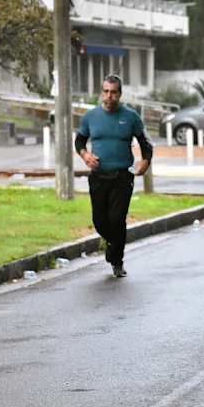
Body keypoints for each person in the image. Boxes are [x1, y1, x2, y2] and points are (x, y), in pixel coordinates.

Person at [75, 74, 153, 278]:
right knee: (100, 221)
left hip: (122, 177)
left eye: (114, 92)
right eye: (106, 92)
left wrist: (144, 162)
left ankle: (117, 260)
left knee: (117, 219)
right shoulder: (91, 116)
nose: (109, 96)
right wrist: (85, 155)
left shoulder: (131, 117)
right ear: (101, 92)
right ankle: (113, 244)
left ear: (120, 94)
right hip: (98, 177)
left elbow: (145, 144)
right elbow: (79, 141)